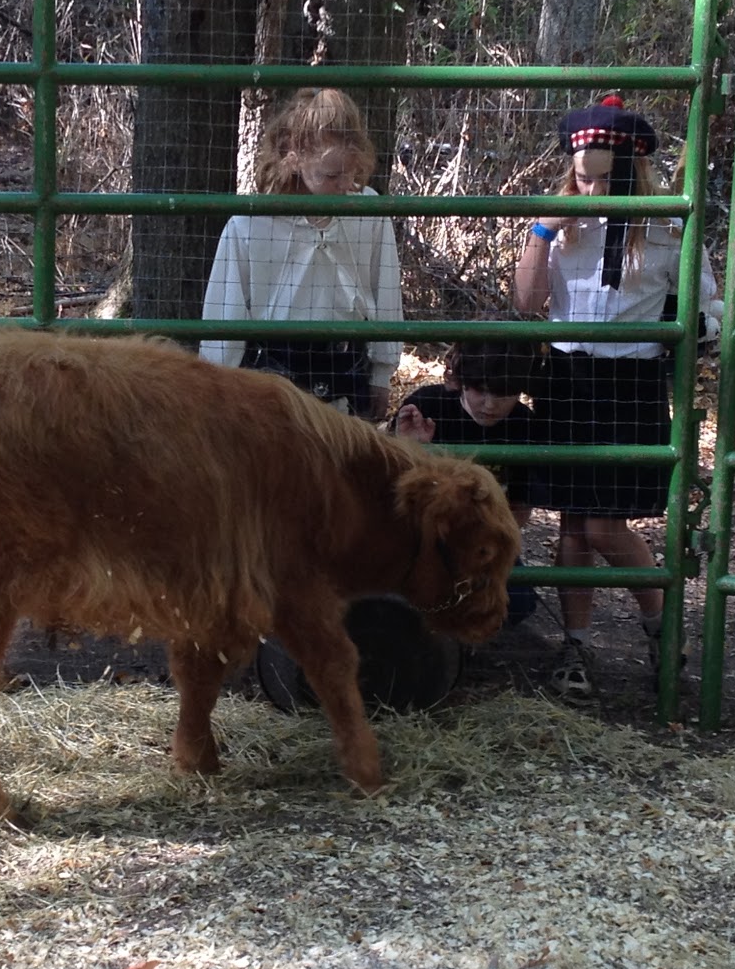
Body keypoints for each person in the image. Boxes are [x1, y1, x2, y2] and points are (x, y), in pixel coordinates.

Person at [511, 95, 721, 696]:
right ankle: (576, 648)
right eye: (582, 174)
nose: (591, 186)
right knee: (573, 528)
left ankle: (663, 630)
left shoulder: (669, 227)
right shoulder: (559, 227)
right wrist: (543, 229)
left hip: (631, 382)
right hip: (565, 380)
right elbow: (526, 303)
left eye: (604, 175)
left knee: (604, 526)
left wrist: (690, 327)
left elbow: (708, 309)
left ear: (631, 168)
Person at [200, 88, 402, 421]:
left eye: (351, 172)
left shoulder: (369, 212)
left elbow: (387, 292)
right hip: (273, 385)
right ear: (293, 157)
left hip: (346, 378)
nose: (344, 185)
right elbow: (225, 313)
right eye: (330, 175)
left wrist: (381, 376)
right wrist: (219, 390)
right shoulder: (251, 223)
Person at [391, 338, 546, 628]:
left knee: (516, 604)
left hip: (482, 542)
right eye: (479, 390)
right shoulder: (425, 406)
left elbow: (521, 509)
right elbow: (389, 492)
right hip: (421, 537)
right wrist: (412, 449)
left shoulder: (525, 425)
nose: (490, 405)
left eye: (504, 394)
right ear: (461, 380)